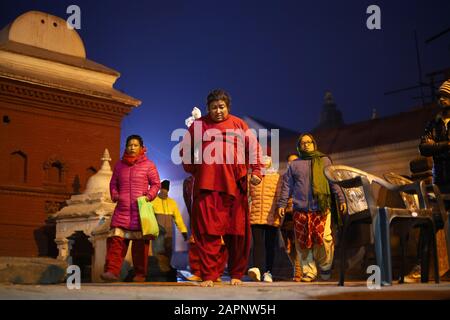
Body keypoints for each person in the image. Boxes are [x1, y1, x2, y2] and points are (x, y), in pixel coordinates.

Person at [180, 89, 264, 287]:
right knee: (207, 232)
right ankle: (210, 275)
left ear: (228, 107)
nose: (218, 111)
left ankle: (236, 272)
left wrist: (257, 172)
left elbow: (254, 149)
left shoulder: (239, 124)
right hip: (207, 186)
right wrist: (197, 170)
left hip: (235, 185)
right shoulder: (199, 125)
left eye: (221, 107)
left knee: (236, 233)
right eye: (213, 107)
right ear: (208, 108)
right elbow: (185, 150)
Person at [277, 133, 346, 282]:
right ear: (299, 146)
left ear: (314, 144)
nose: (306, 145)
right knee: (303, 243)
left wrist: (341, 199)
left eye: (309, 142)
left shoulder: (324, 160)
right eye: (303, 143)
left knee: (325, 238)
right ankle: (309, 272)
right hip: (300, 209)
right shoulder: (294, 165)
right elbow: (287, 185)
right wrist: (282, 203)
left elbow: (333, 181)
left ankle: (325, 267)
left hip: (321, 207)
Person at [101, 134, 161, 282]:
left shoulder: (149, 165)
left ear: (141, 148)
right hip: (122, 210)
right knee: (116, 242)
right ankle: (112, 272)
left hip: (140, 211)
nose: (132, 148)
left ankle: (140, 274)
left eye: (135, 145)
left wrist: (149, 196)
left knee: (141, 246)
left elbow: (156, 184)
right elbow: (113, 183)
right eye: (129, 145)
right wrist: (115, 195)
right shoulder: (119, 165)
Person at [247, 155, 281, 283]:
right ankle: (257, 269)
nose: (265, 162)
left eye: (267, 159)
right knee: (257, 244)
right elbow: (247, 196)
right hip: (255, 215)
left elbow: (279, 196)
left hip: (271, 216)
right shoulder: (251, 177)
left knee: (270, 245)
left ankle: (268, 272)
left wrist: (280, 212)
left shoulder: (277, 177)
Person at [150, 179, 188, 280]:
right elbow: (149, 217)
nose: (164, 191)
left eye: (166, 189)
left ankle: (165, 274)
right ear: (160, 188)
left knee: (168, 253)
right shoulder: (153, 201)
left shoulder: (172, 202)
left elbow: (178, 218)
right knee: (159, 253)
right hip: (158, 232)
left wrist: (183, 231)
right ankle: (162, 274)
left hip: (169, 234)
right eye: (163, 188)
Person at [280, 153, 302, 281]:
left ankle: (298, 271)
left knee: (298, 243)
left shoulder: (302, 177)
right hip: (285, 215)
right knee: (288, 247)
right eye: (289, 161)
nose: (291, 163)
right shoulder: (283, 178)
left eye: (294, 161)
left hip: (298, 212)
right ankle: (297, 268)